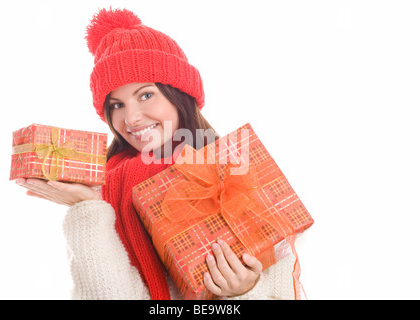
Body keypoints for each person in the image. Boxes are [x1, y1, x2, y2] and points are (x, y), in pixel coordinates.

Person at [15, 7, 296, 300]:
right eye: (116, 105)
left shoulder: (235, 170)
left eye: (146, 95)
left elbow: (284, 290)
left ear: (179, 95)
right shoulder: (106, 188)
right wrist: (87, 209)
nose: (131, 118)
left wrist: (245, 292)